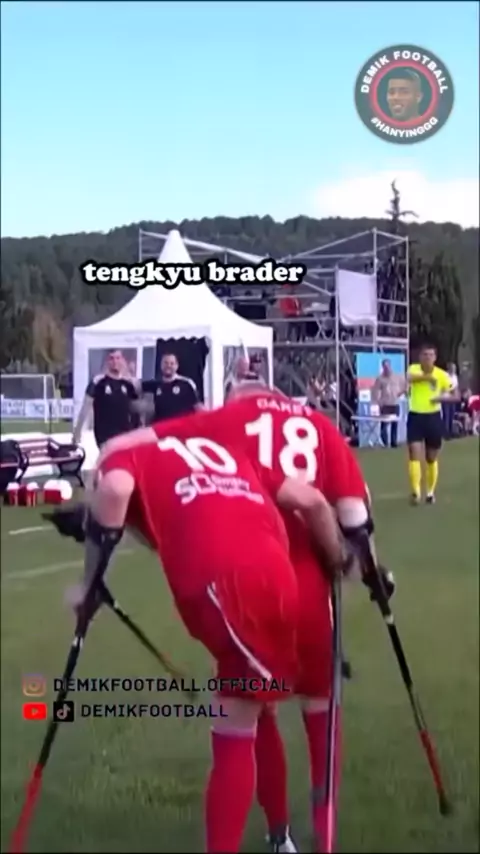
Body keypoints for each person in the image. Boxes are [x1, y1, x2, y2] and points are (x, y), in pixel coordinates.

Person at [95, 379, 392, 853]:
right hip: (311, 587)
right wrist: (363, 569)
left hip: (246, 578)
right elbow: (354, 512)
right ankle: (325, 839)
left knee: (248, 714)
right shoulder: (320, 425)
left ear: (239, 397)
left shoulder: (227, 419)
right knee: (321, 714)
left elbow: (133, 446)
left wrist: (107, 478)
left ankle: (278, 834)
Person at [406, 344, 458, 504]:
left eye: (430, 355)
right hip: (415, 415)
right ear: (420, 357)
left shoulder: (442, 375)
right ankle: (416, 492)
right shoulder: (414, 369)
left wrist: (441, 398)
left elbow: (456, 395)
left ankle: (430, 492)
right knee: (414, 453)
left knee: (431, 457)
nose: (427, 358)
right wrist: (427, 378)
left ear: (435, 358)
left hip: (433, 417)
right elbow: (410, 378)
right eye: (424, 354)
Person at [73, 349, 139, 449]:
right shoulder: (98, 382)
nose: (115, 362)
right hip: (105, 436)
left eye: (118, 358)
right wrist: (78, 431)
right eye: (111, 358)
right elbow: (86, 406)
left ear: (122, 360)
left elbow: (135, 410)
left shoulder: (128, 384)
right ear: (107, 362)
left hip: (125, 435)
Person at [139, 353, 202, 423]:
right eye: (166, 363)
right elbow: (137, 385)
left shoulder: (186, 383)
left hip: (181, 426)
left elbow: (197, 406)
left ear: (177, 366)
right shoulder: (156, 384)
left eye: (172, 363)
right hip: (162, 426)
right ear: (161, 365)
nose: (168, 366)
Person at [371, 359, 405, 448]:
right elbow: (375, 390)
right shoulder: (380, 378)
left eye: (388, 366)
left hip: (395, 404)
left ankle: (394, 442)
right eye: (385, 366)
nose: (387, 368)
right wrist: (378, 401)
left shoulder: (397, 377)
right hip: (385, 404)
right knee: (384, 424)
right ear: (383, 367)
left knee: (395, 424)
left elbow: (404, 387)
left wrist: (399, 393)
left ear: (390, 366)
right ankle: (385, 442)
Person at [442, 362, 459, 439]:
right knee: (446, 416)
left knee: (451, 415)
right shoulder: (445, 376)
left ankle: (451, 431)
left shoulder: (455, 377)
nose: (454, 370)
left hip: (453, 399)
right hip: (446, 398)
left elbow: (456, 386)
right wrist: (451, 390)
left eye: (454, 368)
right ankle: (445, 433)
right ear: (449, 368)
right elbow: (444, 386)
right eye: (452, 368)